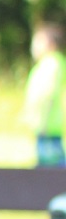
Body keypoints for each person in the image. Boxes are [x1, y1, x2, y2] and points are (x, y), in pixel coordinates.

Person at [26, 23, 65, 166]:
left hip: (49, 125)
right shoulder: (44, 64)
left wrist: (44, 122)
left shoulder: (53, 63)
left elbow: (50, 94)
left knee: (54, 165)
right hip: (42, 124)